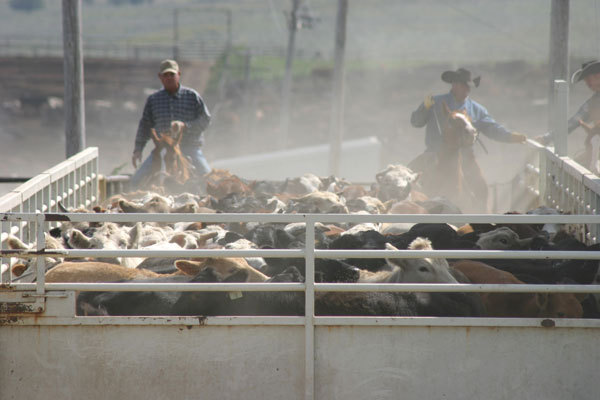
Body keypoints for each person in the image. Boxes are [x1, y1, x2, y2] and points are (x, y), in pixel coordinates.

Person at [409, 67, 527, 212]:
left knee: (480, 188)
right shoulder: (435, 103)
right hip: (434, 153)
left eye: (469, 87)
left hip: (465, 156)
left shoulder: (476, 109)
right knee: (409, 177)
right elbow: (416, 122)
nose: (467, 89)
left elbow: (491, 128)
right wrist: (424, 108)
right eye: (465, 85)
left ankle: (482, 217)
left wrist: (510, 136)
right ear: (455, 85)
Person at [130, 59, 211, 188]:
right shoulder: (154, 99)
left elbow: (205, 119)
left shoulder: (192, 96)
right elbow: (145, 125)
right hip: (162, 150)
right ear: (160, 77)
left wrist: (185, 126)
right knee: (136, 180)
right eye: (165, 75)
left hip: (189, 148)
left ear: (178, 74)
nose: (169, 78)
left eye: (172, 75)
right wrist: (138, 149)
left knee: (209, 180)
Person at [535, 60, 600, 145]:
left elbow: (573, 123)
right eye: (586, 81)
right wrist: (547, 138)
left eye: (588, 79)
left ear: (598, 75)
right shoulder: (593, 102)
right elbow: (573, 122)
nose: (588, 84)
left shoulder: (594, 102)